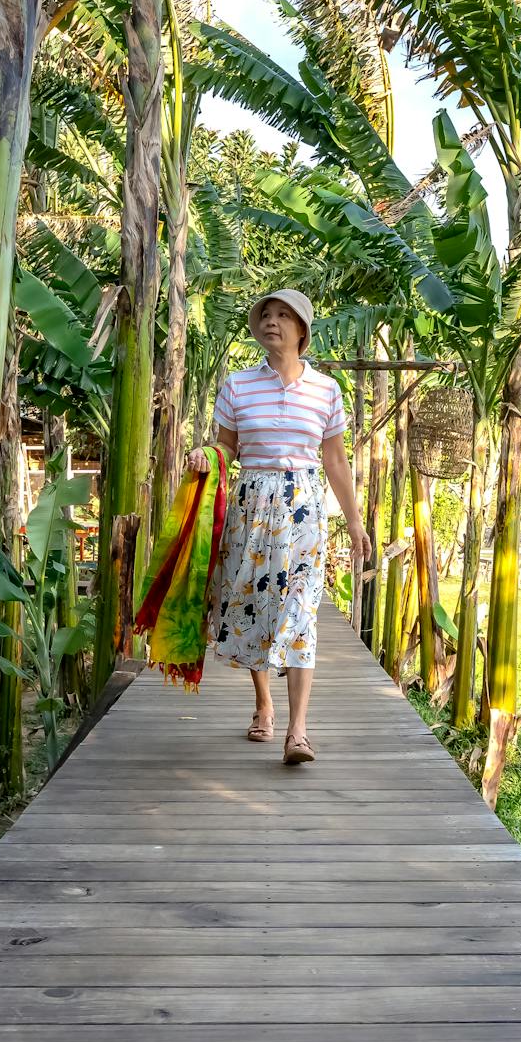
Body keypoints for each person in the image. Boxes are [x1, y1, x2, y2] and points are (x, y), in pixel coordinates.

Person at [188, 289, 371, 764]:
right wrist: (206, 456)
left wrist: (354, 523)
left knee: (300, 614)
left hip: (304, 510)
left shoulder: (326, 390)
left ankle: (298, 731)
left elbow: (334, 459)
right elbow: (226, 448)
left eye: (282, 315)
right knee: (253, 605)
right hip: (250, 506)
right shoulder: (238, 386)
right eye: (265, 315)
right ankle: (263, 704)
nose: (271, 322)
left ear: (301, 329)